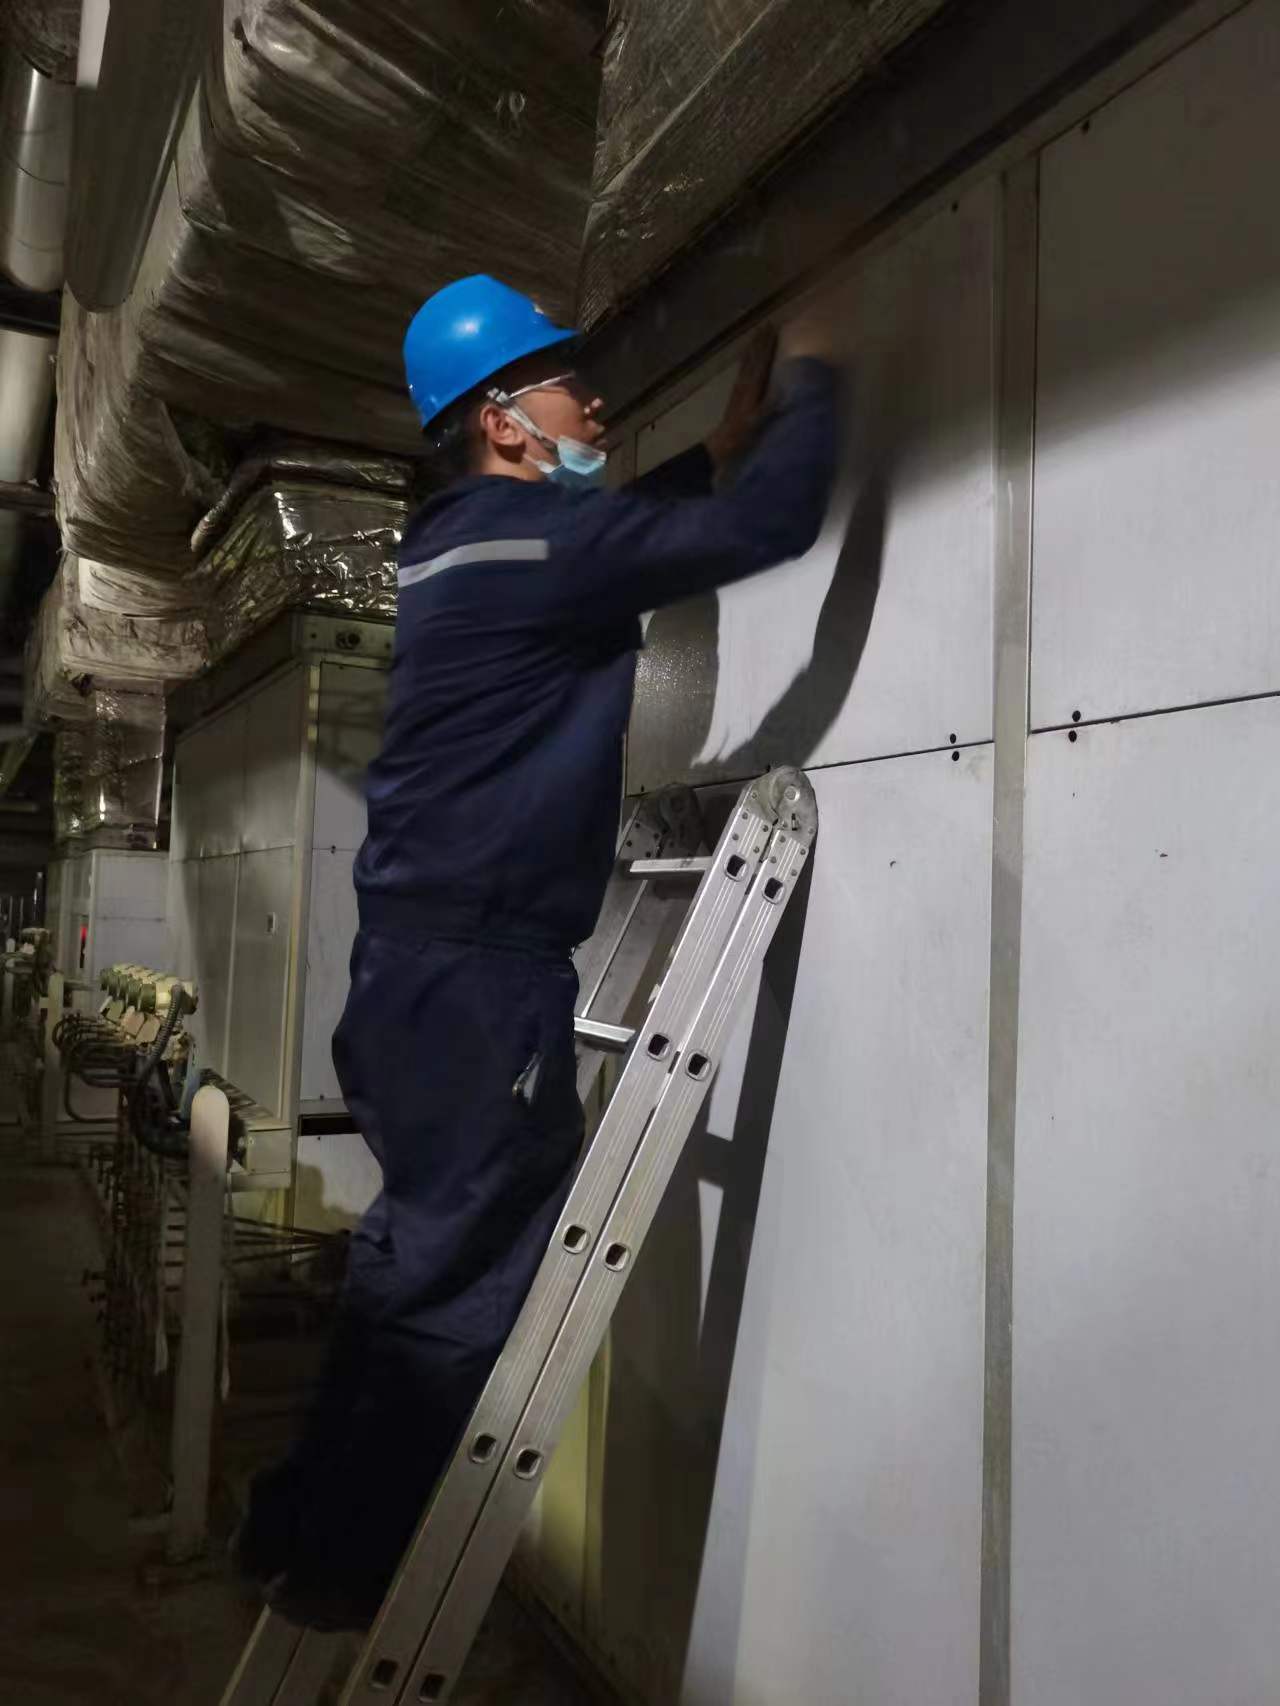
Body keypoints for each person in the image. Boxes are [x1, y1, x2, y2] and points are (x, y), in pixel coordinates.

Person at [235, 275, 839, 1627]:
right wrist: (818, 373)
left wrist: (707, 450)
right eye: (568, 384)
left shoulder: (456, 545)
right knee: (461, 1292)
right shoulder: (541, 548)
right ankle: (353, 1574)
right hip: (478, 984)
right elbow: (773, 526)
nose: (596, 403)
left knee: (407, 1263)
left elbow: (590, 543)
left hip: (408, 974)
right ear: (505, 421)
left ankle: (296, 1524)